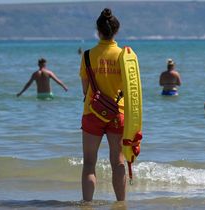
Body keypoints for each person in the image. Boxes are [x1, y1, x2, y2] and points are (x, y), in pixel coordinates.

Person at [79, 8, 126, 201]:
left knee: (89, 163)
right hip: (118, 113)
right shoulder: (125, 56)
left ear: (98, 31)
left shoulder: (88, 55)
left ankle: (87, 204)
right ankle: (121, 204)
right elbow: (132, 91)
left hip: (93, 113)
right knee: (118, 162)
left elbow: (85, 89)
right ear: (116, 31)